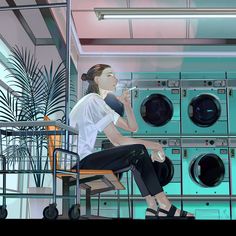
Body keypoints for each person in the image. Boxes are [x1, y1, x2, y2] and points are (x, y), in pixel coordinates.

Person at [69, 64, 195, 219]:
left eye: (114, 74)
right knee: (138, 151)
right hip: (80, 162)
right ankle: (165, 206)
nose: (115, 78)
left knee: (136, 156)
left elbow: (132, 128)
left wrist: (126, 105)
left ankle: (152, 206)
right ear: (97, 80)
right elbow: (117, 140)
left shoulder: (97, 102)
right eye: (109, 75)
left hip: (79, 160)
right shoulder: (93, 101)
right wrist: (156, 146)